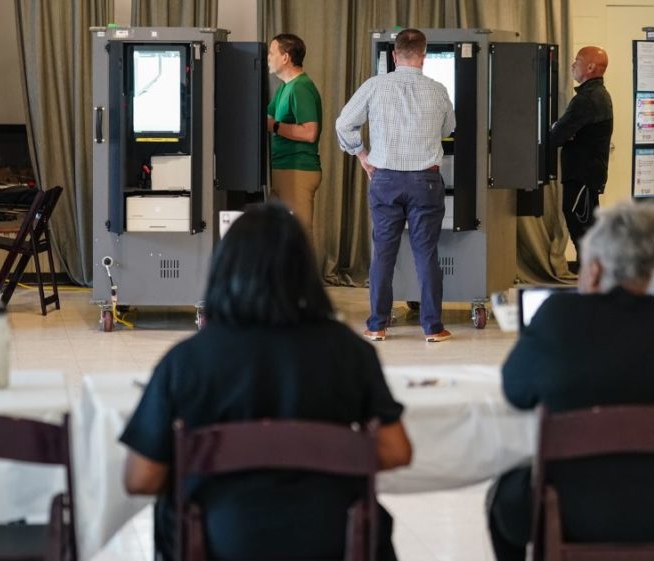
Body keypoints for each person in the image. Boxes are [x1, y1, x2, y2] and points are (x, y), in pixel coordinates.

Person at [119, 204, 411, 561]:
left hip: (219, 543)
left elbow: (141, 479)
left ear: (223, 269)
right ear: (303, 271)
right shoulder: (350, 352)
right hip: (332, 541)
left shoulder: (187, 362)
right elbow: (396, 450)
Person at [487, 202, 654, 561]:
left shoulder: (559, 316)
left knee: (503, 496)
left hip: (571, 511)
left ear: (593, 270)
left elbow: (516, 391)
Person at [334, 28, 455, 343]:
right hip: (426, 181)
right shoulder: (439, 90)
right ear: (424, 55)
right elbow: (449, 127)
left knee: (383, 254)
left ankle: (377, 325)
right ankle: (433, 327)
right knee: (426, 253)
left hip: (385, 179)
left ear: (394, 55)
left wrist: (361, 154)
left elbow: (344, 123)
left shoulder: (375, 86)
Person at [550, 46, 614, 274]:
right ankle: (594, 279)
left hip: (582, 176)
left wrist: (560, 129)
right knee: (587, 227)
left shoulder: (587, 100)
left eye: (576, 61)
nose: (572, 65)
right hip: (587, 176)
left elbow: (557, 136)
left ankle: (593, 281)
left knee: (582, 228)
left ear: (589, 67)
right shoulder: (598, 95)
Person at [266, 33, 323, 239]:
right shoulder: (285, 87)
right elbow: (265, 118)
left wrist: (275, 126)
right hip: (283, 169)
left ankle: (305, 273)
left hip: (297, 170)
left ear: (285, 57)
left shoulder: (301, 87)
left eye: (271, 53)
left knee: (299, 236)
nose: (268, 58)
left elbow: (310, 132)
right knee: (277, 235)